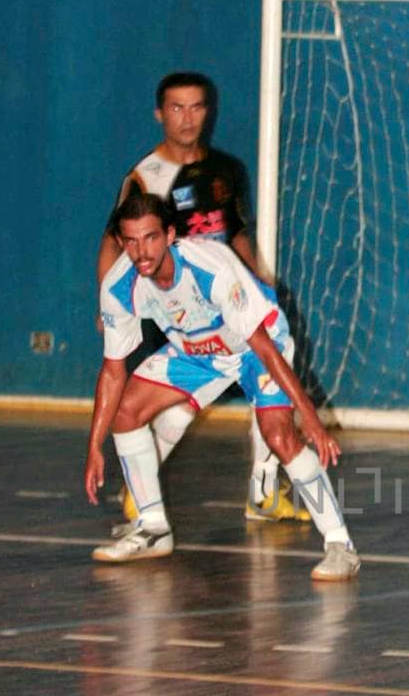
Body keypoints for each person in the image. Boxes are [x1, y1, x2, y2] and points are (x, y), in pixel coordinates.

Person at [86, 192, 360, 581]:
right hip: (196, 350)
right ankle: (152, 529)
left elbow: (264, 346)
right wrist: (95, 444)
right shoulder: (119, 287)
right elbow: (114, 370)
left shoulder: (208, 268)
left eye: (149, 238)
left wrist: (310, 417)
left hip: (256, 344)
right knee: (127, 411)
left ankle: (340, 544)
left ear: (169, 234)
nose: (141, 251)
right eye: (130, 241)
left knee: (279, 437)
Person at [97, 72, 306, 530]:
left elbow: (237, 233)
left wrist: (259, 281)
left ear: (208, 111)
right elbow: (113, 243)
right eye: (177, 107)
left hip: (225, 301)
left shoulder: (229, 170)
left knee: (266, 381)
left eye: (196, 107)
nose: (187, 118)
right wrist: (105, 304)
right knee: (175, 400)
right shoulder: (145, 177)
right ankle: (140, 495)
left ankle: (264, 490)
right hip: (168, 303)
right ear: (159, 113)